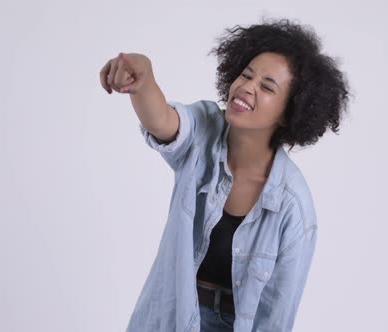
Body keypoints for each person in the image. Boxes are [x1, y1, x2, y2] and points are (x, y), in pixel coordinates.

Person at [100, 17, 350, 332]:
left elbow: (276, 315)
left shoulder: (293, 207)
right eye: (246, 75)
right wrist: (143, 79)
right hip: (171, 314)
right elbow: (163, 122)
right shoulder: (204, 130)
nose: (246, 87)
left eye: (266, 86)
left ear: (290, 113)